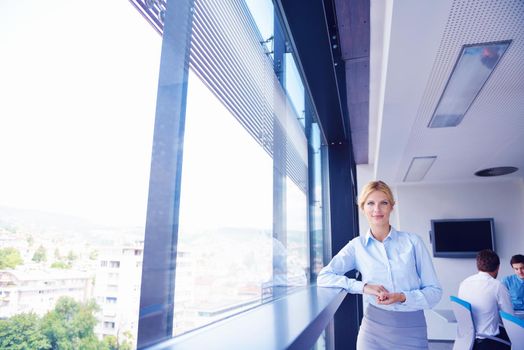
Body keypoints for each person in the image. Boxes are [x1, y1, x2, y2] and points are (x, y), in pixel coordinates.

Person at [317, 180, 442, 350]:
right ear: (363, 208)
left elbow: (434, 292)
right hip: (373, 330)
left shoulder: (413, 243)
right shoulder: (357, 246)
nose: (377, 209)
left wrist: (402, 297)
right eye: (370, 203)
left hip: (412, 330)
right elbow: (324, 277)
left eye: (383, 203)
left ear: (391, 206)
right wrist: (364, 287)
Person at [458, 249, 513, 350]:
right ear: (498, 267)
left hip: (468, 341)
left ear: (477, 265)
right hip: (489, 342)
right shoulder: (497, 286)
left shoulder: (464, 283)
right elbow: (510, 319)